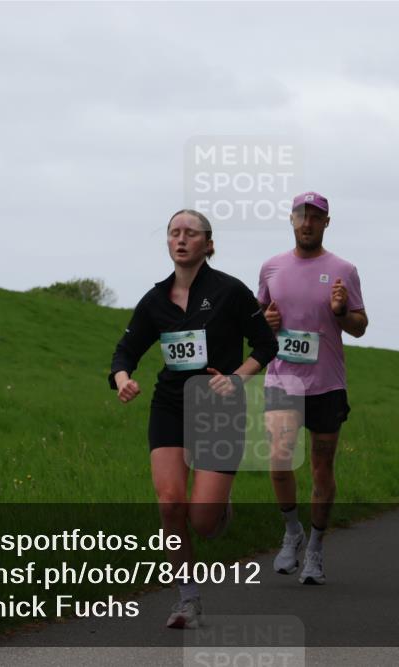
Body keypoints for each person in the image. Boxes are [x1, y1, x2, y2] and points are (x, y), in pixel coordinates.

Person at [109, 209, 278, 628]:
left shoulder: (230, 292)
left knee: (203, 521)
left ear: (209, 243)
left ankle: (219, 507)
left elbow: (265, 344)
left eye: (190, 233)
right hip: (170, 404)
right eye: (173, 233)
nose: (181, 239)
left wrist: (237, 378)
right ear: (168, 243)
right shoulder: (154, 300)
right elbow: (124, 352)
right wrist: (123, 378)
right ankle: (187, 598)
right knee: (170, 503)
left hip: (218, 407)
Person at [259, 191, 367, 586]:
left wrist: (340, 312)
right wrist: (264, 323)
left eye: (315, 217)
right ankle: (292, 532)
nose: (307, 222)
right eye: (301, 215)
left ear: (326, 222)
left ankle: (317, 550)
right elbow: (259, 317)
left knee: (322, 468)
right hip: (282, 379)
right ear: (291, 220)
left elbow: (360, 325)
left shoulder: (344, 270)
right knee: (279, 459)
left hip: (326, 385)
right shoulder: (271, 268)